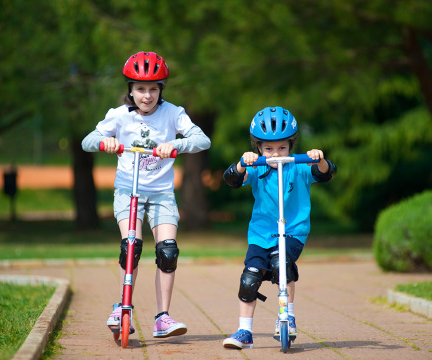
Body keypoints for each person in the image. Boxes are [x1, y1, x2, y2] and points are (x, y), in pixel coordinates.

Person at [82, 51, 211, 338]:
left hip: (162, 193)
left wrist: (177, 144)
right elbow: (87, 141)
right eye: (140, 89)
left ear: (161, 89)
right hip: (129, 191)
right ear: (130, 89)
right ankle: (121, 306)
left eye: (153, 89)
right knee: (132, 247)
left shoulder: (173, 113)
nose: (147, 95)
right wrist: (107, 143)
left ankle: (162, 318)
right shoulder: (119, 116)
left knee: (168, 251)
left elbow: (202, 139)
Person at [222, 106, 337, 349]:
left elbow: (326, 173)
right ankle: (245, 331)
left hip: (293, 231)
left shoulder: (299, 166)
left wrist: (321, 159)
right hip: (261, 233)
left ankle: (288, 316)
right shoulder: (257, 168)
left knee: (281, 264)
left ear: (291, 146)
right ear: (259, 148)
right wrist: (243, 164)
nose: (276, 154)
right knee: (249, 278)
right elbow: (232, 178)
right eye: (269, 148)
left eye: (282, 147)